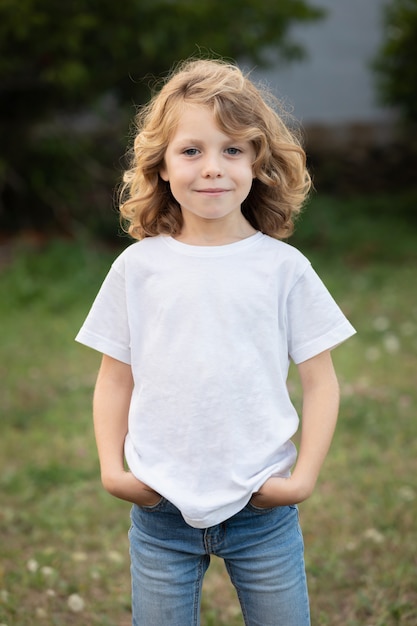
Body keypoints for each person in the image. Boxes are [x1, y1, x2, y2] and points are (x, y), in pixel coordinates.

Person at [76, 58, 356, 626]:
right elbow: (114, 377)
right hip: (160, 511)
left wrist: (300, 479)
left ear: (258, 161)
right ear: (160, 164)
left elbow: (322, 382)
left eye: (232, 150)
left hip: (263, 510)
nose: (212, 169)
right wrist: (113, 470)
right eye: (192, 150)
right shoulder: (138, 267)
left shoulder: (283, 269)